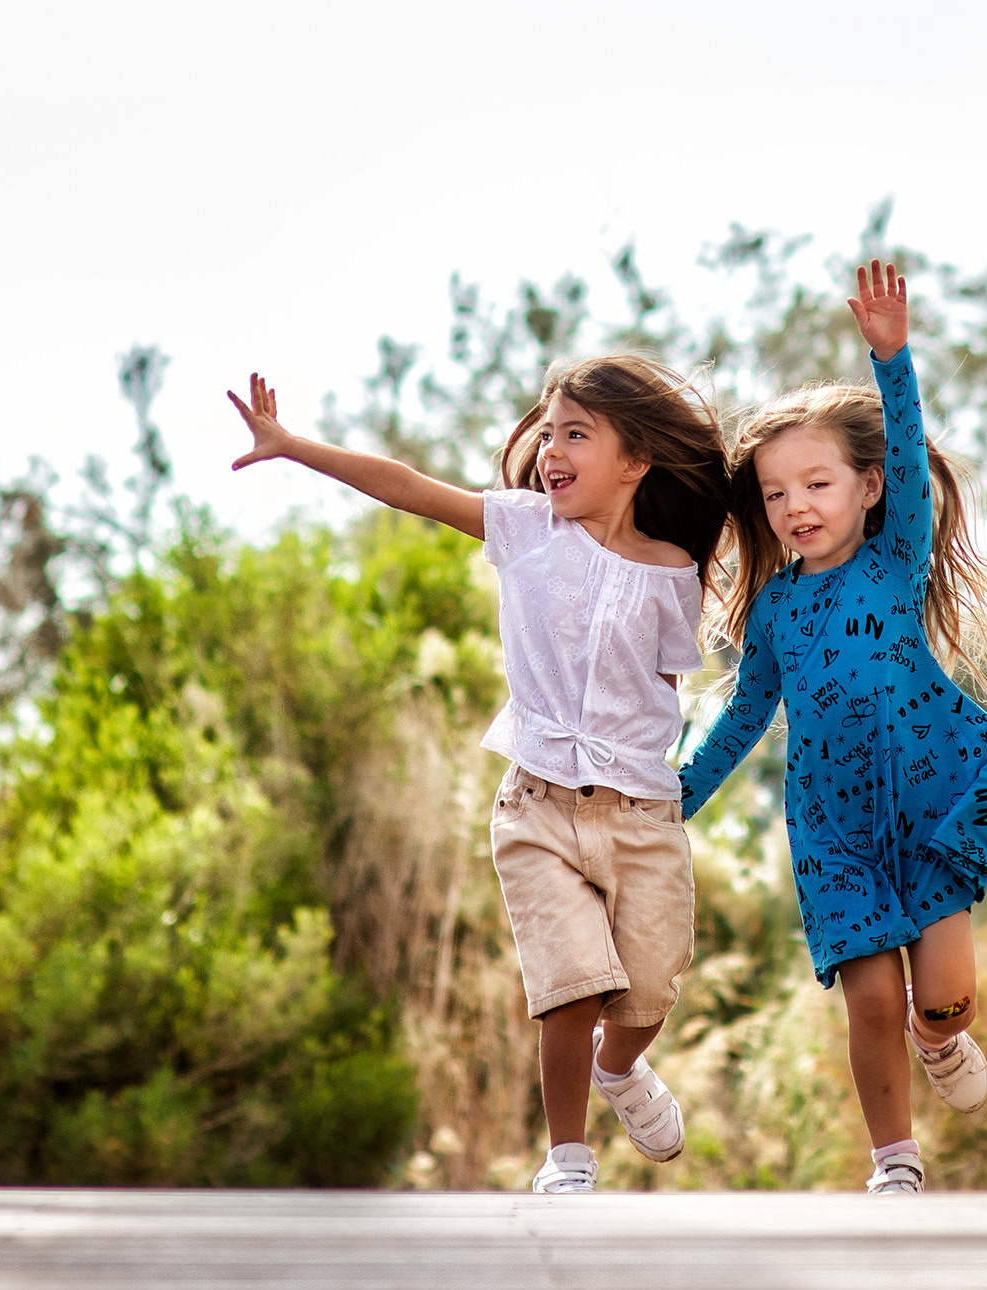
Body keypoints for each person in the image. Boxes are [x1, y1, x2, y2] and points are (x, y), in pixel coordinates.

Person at [228, 355, 730, 1194]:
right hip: (534, 803)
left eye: (577, 433)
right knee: (570, 983)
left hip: (642, 812)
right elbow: (406, 486)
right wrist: (292, 445)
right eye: (548, 430)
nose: (550, 448)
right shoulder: (525, 528)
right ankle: (566, 1157)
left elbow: (662, 689)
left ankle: (621, 1069)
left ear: (636, 461)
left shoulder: (672, 567)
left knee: (648, 986)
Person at [678, 260, 987, 1195]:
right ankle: (895, 1162)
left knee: (941, 998)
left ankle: (939, 1038)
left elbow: (911, 455)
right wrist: (671, 803)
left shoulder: (896, 556)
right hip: (833, 829)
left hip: (927, 800)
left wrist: (893, 361)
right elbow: (739, 721)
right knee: (868, 996)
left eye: (818, 484)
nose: (796, 506)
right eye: (777, 494)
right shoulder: (777, 615)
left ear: (867, 489)